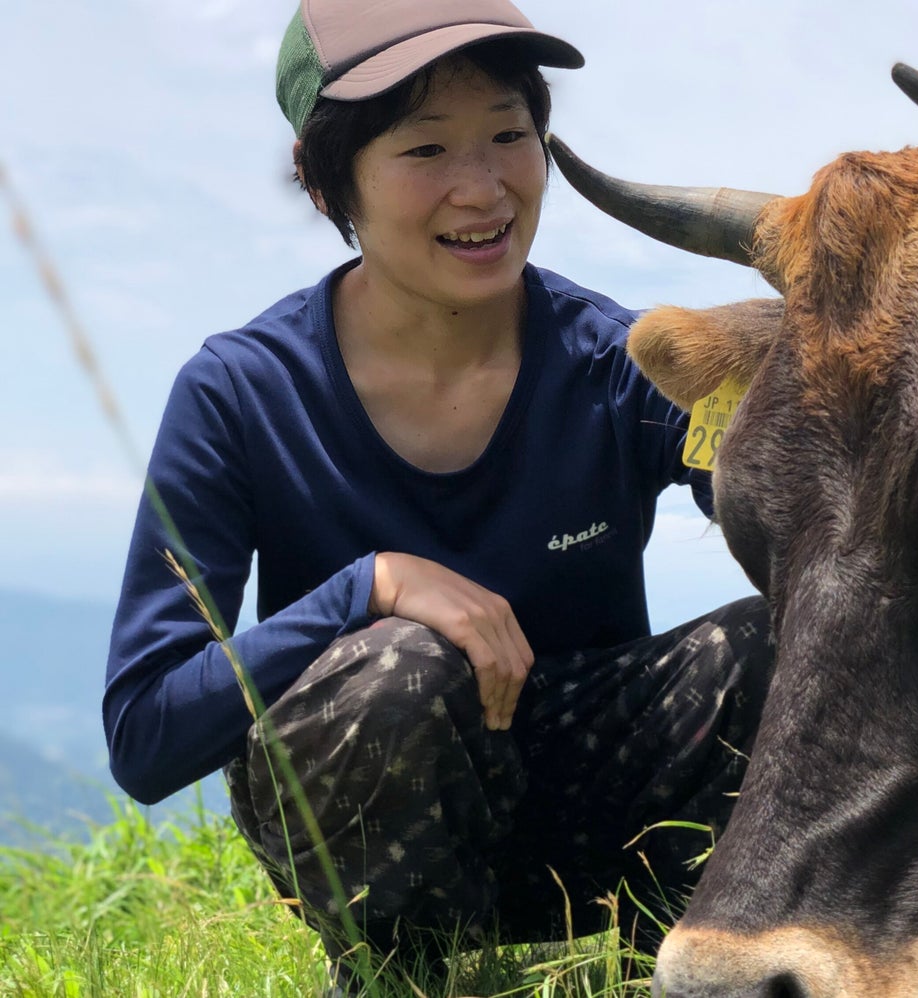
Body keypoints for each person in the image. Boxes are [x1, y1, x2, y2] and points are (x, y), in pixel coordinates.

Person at [101, 0, 774, 988]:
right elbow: (146, 730)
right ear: (324, 179)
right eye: (425, 150)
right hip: (367, 806)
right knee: (395, 669)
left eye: (510, 134)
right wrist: (364, 588)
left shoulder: (616, 362)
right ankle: (398, 976)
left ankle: (675, 971)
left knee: (785, 640)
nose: (483, 187)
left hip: (601, 809)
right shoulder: (241, 392)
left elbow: (806, 520)